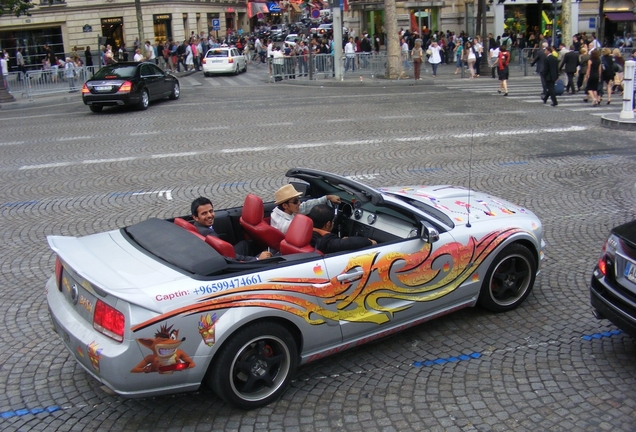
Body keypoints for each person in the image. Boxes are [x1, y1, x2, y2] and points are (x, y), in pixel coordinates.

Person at [191, 197, 271, 261]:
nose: (209, 215)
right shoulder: (209, 234)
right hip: (227, 258)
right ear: (195, 217)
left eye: (211, 211)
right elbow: (228, 257)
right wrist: (256, 259)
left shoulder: (197, 227)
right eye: (204, 213)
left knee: (245, 244)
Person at [271, 184, 341, 235]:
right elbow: (308, 230)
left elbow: (305, 206)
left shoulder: (283, 210)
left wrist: (327, 197)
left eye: (298, 199)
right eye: (295, 201)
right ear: (285, 205)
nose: (299, 203)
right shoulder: (285, 225)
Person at [308, 205, 376, 254]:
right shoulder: (324, 242)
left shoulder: (302, 233)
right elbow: (348, 244)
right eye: (333, 221)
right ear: (328, 224)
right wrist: (369, 242)